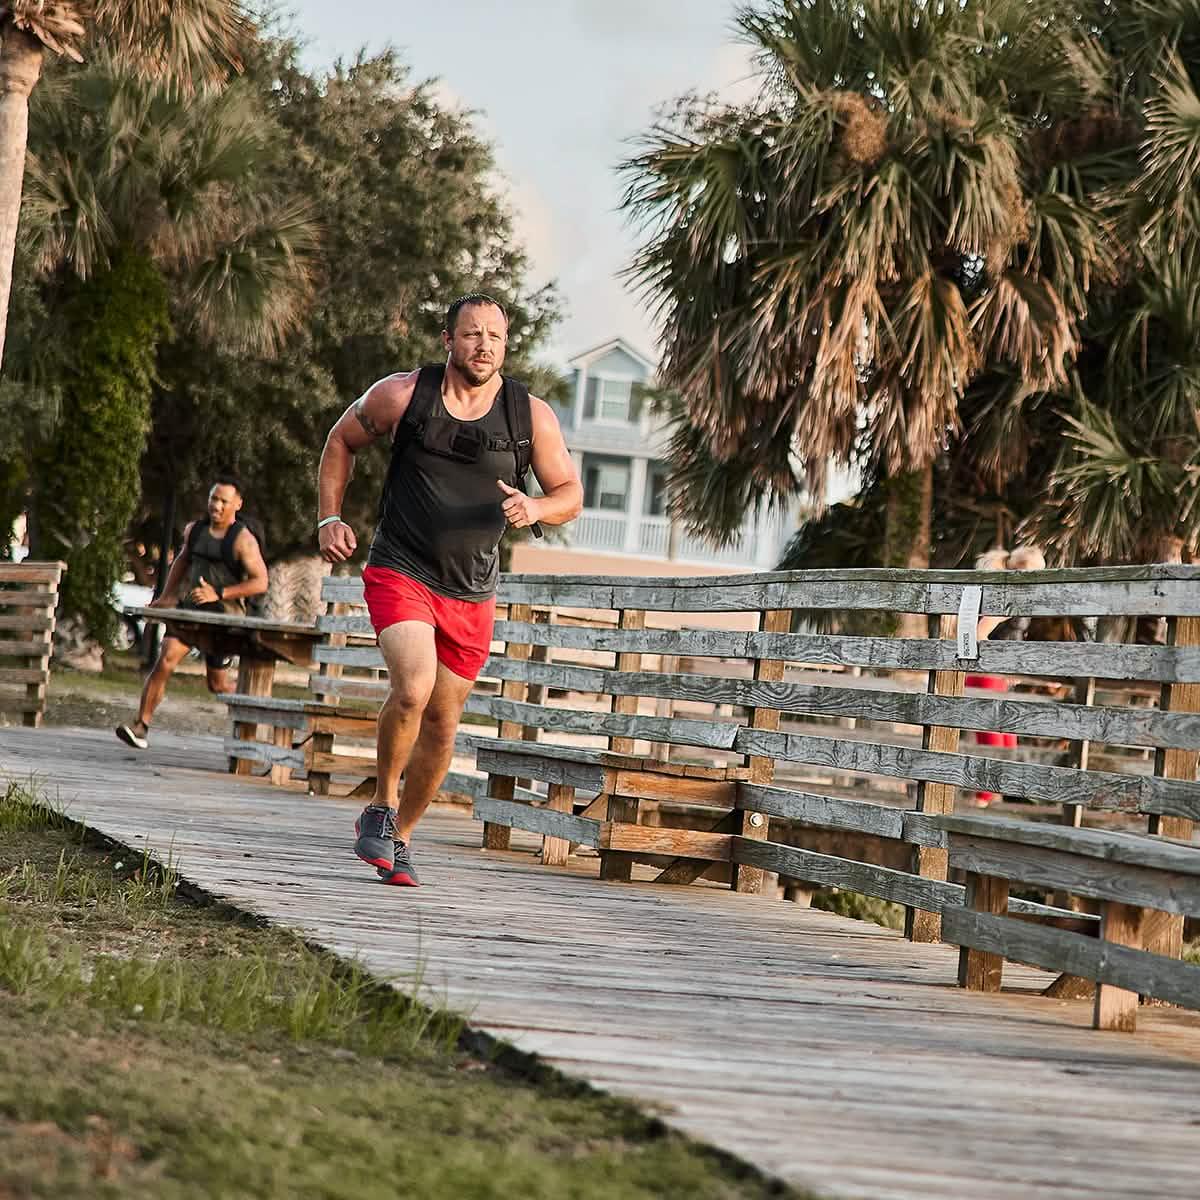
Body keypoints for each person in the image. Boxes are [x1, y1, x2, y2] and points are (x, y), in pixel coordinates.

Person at [317, 293, 582, 887]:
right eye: (471, 334)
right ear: (448, 340)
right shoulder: (404, 395)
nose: (483, 344)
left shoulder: (528, 416)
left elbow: (570, 493)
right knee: (413, 687)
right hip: (402, 568)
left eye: (494, 335)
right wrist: (327, 517)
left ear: (506, 344)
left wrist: (536, 504)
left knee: (443, 720)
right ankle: (382, 806)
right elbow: (340, 441)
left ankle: (402, 837)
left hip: (472, 589)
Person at [115, 476, 269, 750]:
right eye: (213, 499)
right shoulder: (194, 531)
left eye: (224, 501)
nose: (217, 506)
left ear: (237, 504)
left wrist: (219, 594)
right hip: (191, 613)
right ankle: (141, 727)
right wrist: (167, 597)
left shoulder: (243, 540)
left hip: (224, 620)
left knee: (217, 684)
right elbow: (182, 561)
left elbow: (260, 582)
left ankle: (262, 718)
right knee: (166, 659)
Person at [964, 543, 1047, 804]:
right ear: (1021, 571)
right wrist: (998, 662)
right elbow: (979, 632)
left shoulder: (1014, 593)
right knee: (992, 738)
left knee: (1008, 736)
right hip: (987, 672)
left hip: (998, 673)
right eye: (1036, 573)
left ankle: (1003, 794)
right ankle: (983, 798)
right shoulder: (1005, 595)